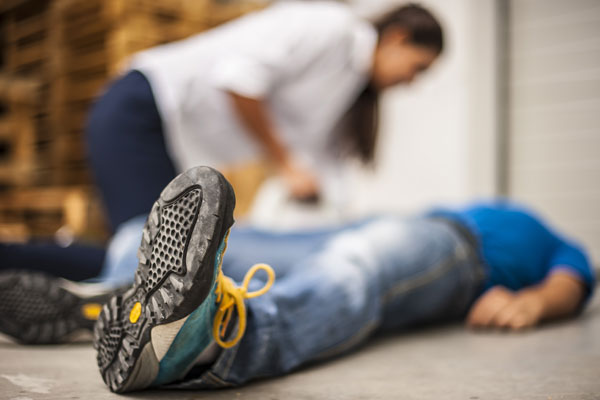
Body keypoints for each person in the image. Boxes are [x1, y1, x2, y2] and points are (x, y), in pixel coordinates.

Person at [2, 167, 593, 390]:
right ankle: (120, 297)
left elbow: (576, 274)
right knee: (138, 230)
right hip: (386, 224)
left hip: (453, 253)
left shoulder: (544, 236)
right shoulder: (466, 203)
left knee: (356, 268)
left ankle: (212, 339)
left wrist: (536, 301)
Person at [0, 1, 444, 283]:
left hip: (172, 140)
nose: (413, 82)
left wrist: (348, 233)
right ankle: (16, 260)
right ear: (398, 38)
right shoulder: (328, 27)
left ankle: (35, 262)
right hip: (143, 107)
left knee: (150, 263)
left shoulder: (347, 89)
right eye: (418, 67)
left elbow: (323, 168)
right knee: (145, 262)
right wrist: (284, 161)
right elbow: (239, 79)